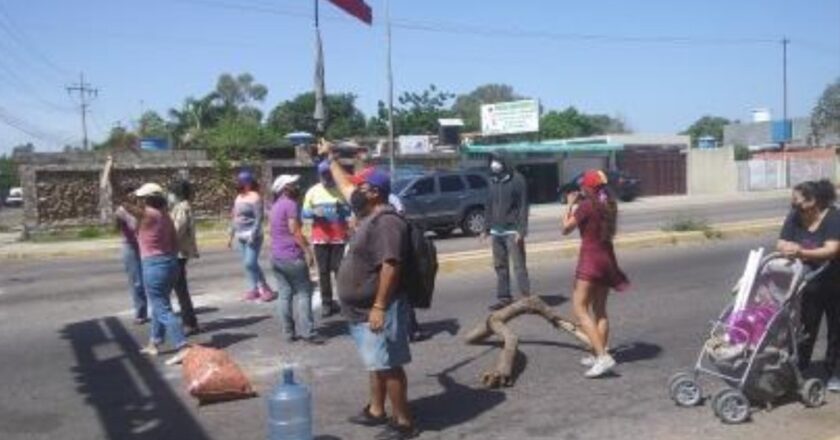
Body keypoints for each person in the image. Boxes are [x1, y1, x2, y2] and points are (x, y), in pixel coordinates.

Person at [321, 142, 418, 439]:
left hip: (379, 309)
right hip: (361, 310)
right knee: (376, 363)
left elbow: (391, 265)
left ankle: (403, 422)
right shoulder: (368, 213)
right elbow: (342, 182)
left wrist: (378, 306)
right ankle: (377, 410)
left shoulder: (387, 221)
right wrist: (330, 157)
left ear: (374, 192)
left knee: (389, 365)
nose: (354, 190)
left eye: (360, 187)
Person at [561, 170, 629, 378]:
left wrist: (570, 204)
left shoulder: (585, 206)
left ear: (587, 188)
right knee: (600, 310)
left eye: (583, 186)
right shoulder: (609, 204)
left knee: (580, 308)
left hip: (590, 261)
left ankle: (602, 357)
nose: (580, 188)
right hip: (607, 260)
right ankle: (599, 350)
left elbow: (565, 228)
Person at [777, 179, 840, 392]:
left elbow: (832, 249)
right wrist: (789, 247)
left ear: (813, 201)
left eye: (797, 201)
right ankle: (799, 367)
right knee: (805, 327)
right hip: (809, 282)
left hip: (835, 281)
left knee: (836, 330)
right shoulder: (795, 216)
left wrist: (801, 252)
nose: (793, 205)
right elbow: (781, 242)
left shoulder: (833, 217)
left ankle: (835, 372)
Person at [132, 183, 190, 365]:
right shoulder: (165, 216)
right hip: (170, 263)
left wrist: (109, 172)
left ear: (148, 199)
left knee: (162, 308)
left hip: (154, 265)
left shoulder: (147, 215)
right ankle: (154, 342)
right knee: (159, 304)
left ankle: (182, 346)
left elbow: (121, 202)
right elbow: (174, 243)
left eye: (142, 197)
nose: (139, 200)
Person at [270, 174, 324, 345]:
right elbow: (294, 230)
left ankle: (288, 332)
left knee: (285, 295)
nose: (298, 186)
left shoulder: (276, 206)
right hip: (292, 255)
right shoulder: (290, 204)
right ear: (285, 188)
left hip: (277, 256)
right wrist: (307, 251)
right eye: (294, 184)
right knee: (303, 293)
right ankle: (308, 332)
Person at [302, 161, 351, 318]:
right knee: (323, 272)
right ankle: (327, 303)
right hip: (320, 238)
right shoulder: (313, 191)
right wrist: (315, 212)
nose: (327, 178)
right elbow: (304, 213)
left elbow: (350, 210)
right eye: (324, 175)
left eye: (329, 175)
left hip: (339, 237)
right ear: (320, 175)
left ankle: (344, 302)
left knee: (339, 271)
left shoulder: (340, 190)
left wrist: (342, 209)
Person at [483, 150, 531, 311]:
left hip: (512, 231)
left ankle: (526, 298)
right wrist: (486, 228)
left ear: (504, 161)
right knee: (500, 266)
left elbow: (523, 206)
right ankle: (504, 298)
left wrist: (522, 230)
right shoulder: (492, 180)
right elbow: (489, 205)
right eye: (492, 160)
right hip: (496, 231)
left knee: (519, 266)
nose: (493, 164)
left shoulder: (518, 179)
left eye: (496, 160)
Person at [228, 170, 275, 302]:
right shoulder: (239, 197)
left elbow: (259, 219)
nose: (240, 184)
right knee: (248, 264)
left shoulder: (255, 197)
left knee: (250, 262)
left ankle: (265, 288)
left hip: (252, 235)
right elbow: (235, 216)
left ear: (248, 183)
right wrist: (231, 235)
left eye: (243, 182)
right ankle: (253, 288)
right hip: (240, 234)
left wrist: (253, 234)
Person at [170, 179, 200, 336]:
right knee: (180, 289)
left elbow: (177, 231)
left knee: (180, 289)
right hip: (180, 252)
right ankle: (190, 321)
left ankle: (189, 323)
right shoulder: (182, 206)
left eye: (171, 192)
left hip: (178, 252)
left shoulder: (182, 208)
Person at [115, 187, 147, 325]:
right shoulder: (122, 211)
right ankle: (141, 312)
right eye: (130, 194)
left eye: (134, 194)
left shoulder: (142, 210)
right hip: (130, 246)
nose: (133, 196)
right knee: (136, 281)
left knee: (147, 280)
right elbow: (117, 227)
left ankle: (150, 309)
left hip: (144, 245)